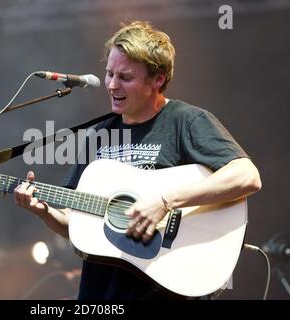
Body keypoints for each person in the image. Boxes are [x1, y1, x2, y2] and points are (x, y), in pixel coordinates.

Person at [14, 21, 262, 299]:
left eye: (126, 77)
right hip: (102, 294)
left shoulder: (186, 121)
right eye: (109, 73)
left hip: (163, 288)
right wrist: (44, 210)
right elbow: (75, 221)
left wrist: (165, 201)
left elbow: (247, 176)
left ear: (158, 79)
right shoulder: (99, 135)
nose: (111, 84)